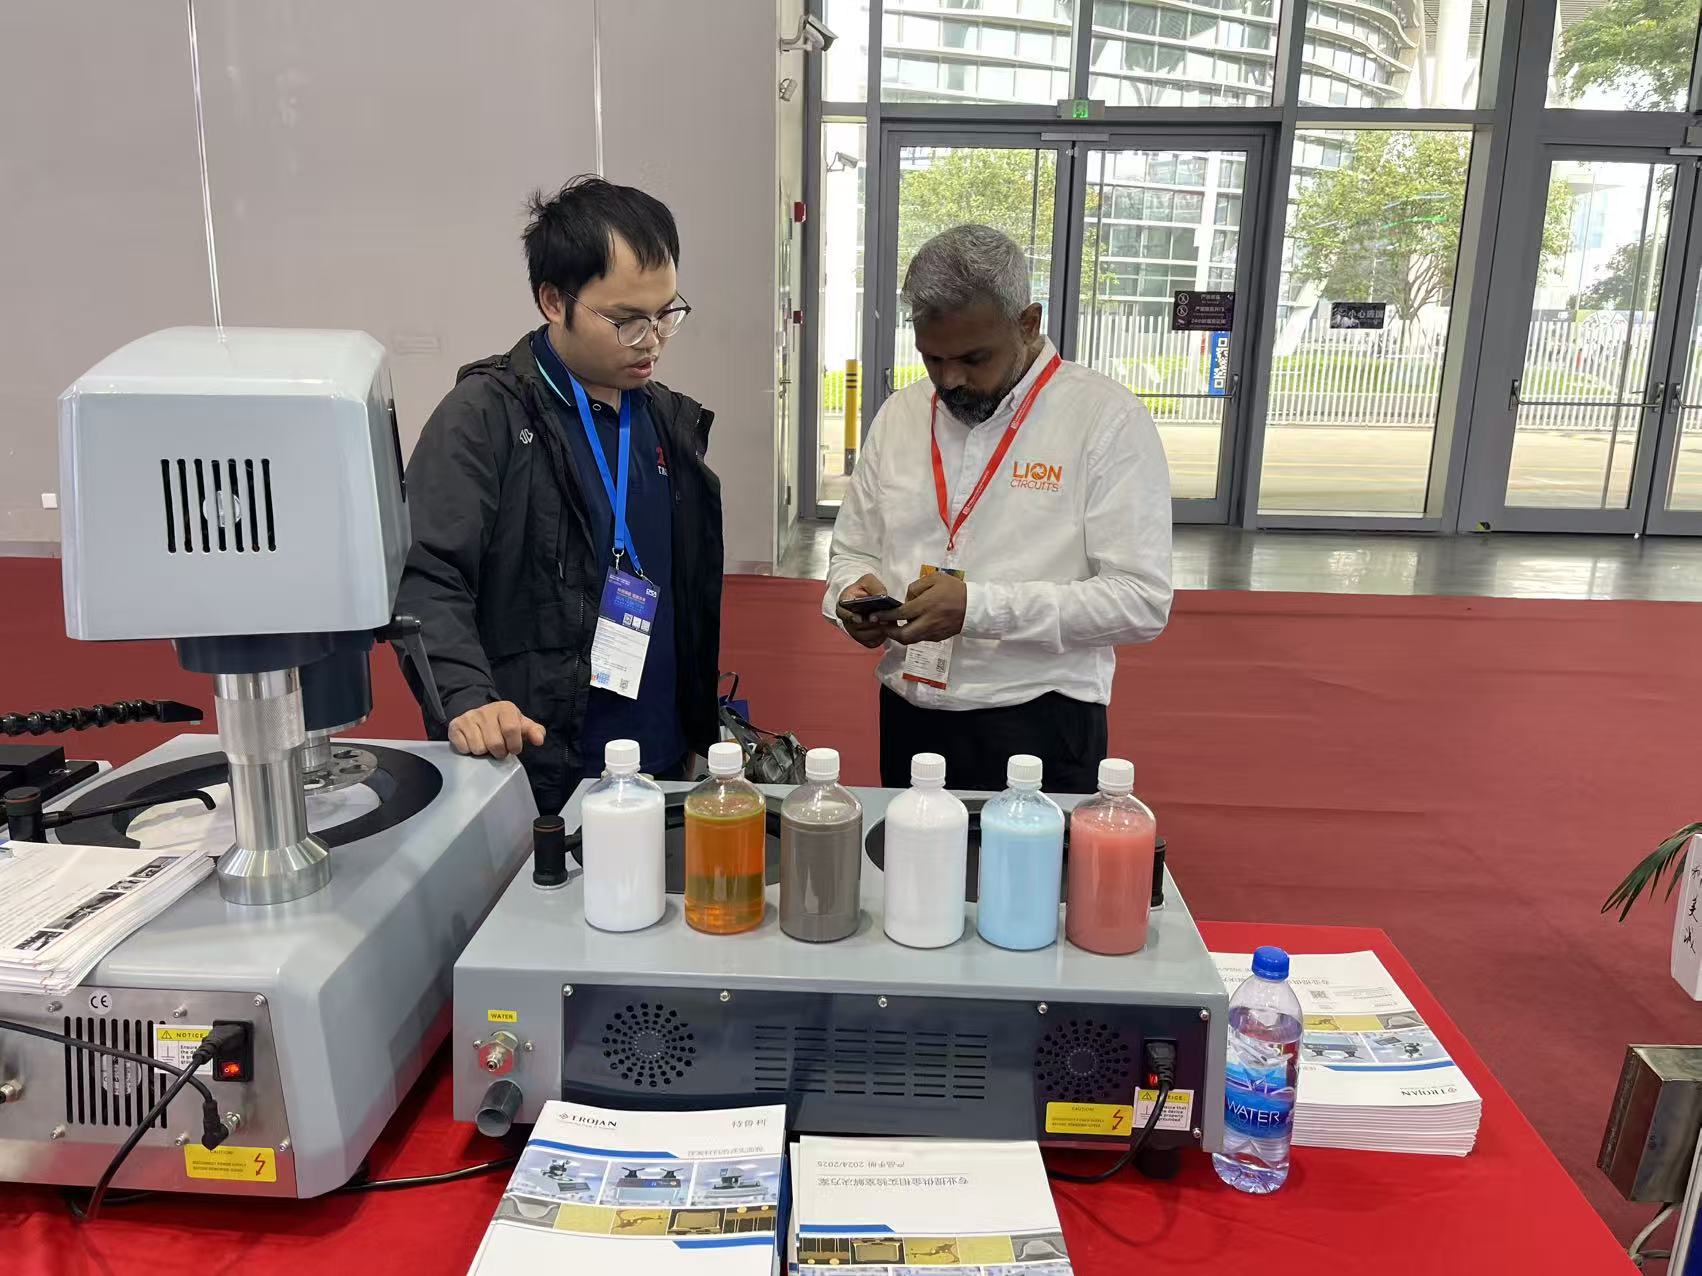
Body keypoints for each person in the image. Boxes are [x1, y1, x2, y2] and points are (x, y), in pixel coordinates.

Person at [396, 176, 724, 816]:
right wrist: (467, 697)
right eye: (626, 320)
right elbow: (427, 574)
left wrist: (693, 727)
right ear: (553, 300)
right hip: (542, 763)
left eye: (666, 314)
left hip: (660, 753)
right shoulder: (484, 417)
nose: (652, 339)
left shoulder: (665, 418)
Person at [823, 224, 1171, 793]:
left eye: (973, 358)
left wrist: (980, 608)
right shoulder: (901, 415)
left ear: (1028, 324)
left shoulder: (1104, 420)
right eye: (931, 358)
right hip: (909, 711)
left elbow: (1141, 601)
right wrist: (851, 595)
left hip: (1040, 720)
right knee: (910, 852)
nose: (950, 379)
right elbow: (852, 550)